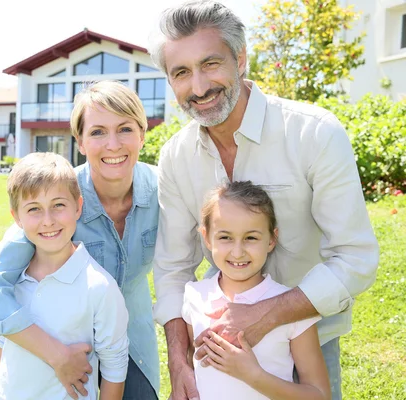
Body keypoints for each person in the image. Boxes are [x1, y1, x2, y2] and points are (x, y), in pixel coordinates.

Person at [148, 1, 379, 399]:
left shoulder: (314, 134)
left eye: (210, 63)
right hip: (217, 353)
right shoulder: (174, 156)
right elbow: (172, 268)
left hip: (310, 346)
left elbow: (356, 259)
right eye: (181, 72)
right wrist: (179, 361)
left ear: (240, 59)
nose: (199, 87)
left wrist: (266, 315)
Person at [0, 80, 160, 399]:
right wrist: (58, 356)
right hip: (59, 348)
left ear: (142, 134)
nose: (112, 144)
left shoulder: (165, 192)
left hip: (132, 345)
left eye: (124, 128)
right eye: (97, 132)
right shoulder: (59, 199)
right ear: (80, 141)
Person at [0, 152, 129, 399]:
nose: (48, 220)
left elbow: (115, 367)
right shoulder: (8, 278)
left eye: (58, 205)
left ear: (78, 207)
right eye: (34, 209)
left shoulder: (99, 287)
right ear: (17, 218)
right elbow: (6, 343)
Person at [183, 180, 330, 400]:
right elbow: (195, 370)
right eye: (225, 237)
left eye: (251, 237)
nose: (238, 251)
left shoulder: (293, 308)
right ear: (206, 237)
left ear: (272, 239)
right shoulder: (195, 296)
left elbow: (319, 395)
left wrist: (253, 375)